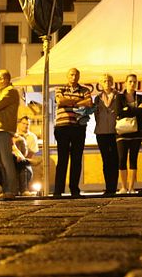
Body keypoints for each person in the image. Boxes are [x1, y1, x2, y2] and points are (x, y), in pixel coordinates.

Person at [53, 68, 92, 198]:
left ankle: (74, 189)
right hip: (62, 127)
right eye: (71, 74)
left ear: (79, 76)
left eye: (76, 74)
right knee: (62, 159)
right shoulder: (60, 88)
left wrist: (68, 102)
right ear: (67, 76)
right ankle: (58, 190)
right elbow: (60, 101)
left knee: (76, 160)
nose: (73, 77)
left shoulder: (85, 90)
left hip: (78, 127)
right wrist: (78, 102)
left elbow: (89, 103)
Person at [0, 69, 20, 199]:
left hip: (4, 128)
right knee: (2, 161)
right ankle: (7, 189)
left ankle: (11, 190)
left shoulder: (10, 91)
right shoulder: (4, 92)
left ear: (4, 79)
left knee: (6, 160)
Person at [116, 74, 142, 194]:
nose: (132, 84)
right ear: (125, 83)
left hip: (136, 132)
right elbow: (119, 112)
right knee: (122, 159)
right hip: (122, 133)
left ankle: (131, 187)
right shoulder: (119, 97)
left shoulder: (140, 97)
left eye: (134, 82)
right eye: (130, 81)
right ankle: (123, 187)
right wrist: (135, 110)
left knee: (133, 159)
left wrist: (127, 110)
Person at [93, 74, 119, 196]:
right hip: (101, 132)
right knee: (106, 160)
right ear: (101, 84)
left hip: (115, 132)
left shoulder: (118, 96)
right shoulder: (98, 98)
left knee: (115, 160)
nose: (107, 82)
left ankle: (113, 187)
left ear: (112, 82)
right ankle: (108, 187)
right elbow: (96, 115)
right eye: (104, 81)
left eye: (109, 80)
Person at [16, 115, 39, 195]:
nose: (25, 126)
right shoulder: (15, 135)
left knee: (25, 167)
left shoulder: (32, 137)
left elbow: (31, 154)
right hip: (14, 159)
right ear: (19, 124)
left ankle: (24, 190)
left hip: (25, 160)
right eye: (24, 123)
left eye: (27, 124)